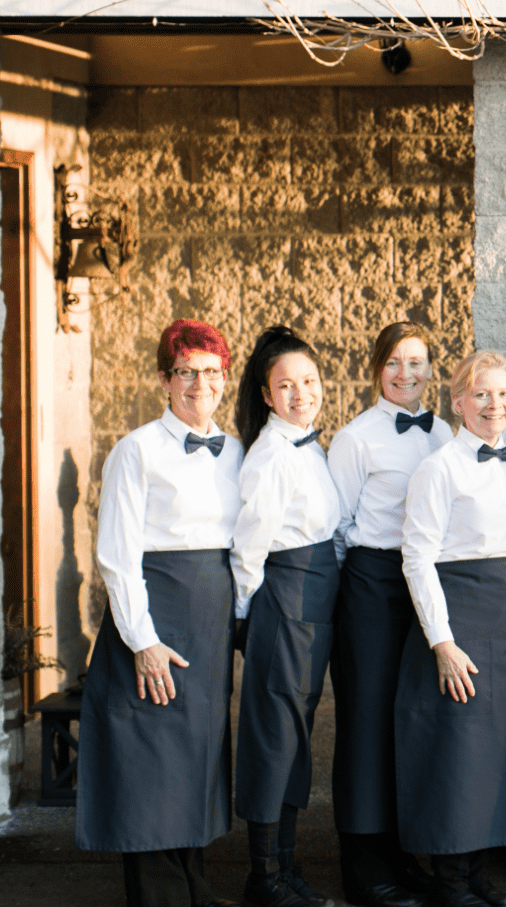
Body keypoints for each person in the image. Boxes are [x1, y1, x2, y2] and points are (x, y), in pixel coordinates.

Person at [78, 319, 241, 907]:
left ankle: (194, 886)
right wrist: (142, 640)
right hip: (152, 618)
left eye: (212, 371)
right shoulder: (136, 450)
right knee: (150, 763)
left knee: (195, 759)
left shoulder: (236, 450)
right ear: (165, 379)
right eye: (187, 371)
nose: (201, 383)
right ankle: (160, 897)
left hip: (208, 625)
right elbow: (117, 556)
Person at [395, 351, 506, 907]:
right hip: (460, 619)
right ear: (458, 401)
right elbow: (416, 558)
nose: (494, 405)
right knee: (458, 750)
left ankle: (477, 868)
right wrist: (441, 641)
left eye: (504, 394)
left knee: (499, 751)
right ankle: (451, 882)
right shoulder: (439, 469)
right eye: (481, 394)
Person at [327, 322, 451, 907]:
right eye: (395, 362)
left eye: (418, 362)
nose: (407, 374)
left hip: (424, 585)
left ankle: (403, 858)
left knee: (411, 722)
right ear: (378, 367)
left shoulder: (446, 432)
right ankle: (364, 867)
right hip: (373, 586)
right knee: (368, 723)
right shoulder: (356, 438)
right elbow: (337, 530)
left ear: (432, 369)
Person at [230, 326, 343, 907]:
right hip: (285, 602)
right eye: (286, 385)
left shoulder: (308, 445)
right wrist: (248, 619)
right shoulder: (271, 453)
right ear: (267, 394)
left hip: (316, 601)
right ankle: (264, 878)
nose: (301, 393)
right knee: (274, 738)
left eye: (309, 381)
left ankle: (287, 868)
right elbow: (249, 549)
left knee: (298, 736)